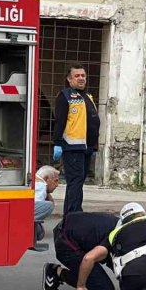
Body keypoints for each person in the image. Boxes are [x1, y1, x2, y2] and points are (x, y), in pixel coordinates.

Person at [52, 64, 100, 214]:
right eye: (77, 76)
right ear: (69, 79)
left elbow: (91, 122)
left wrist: (93, 147)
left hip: (86, 148)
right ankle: (74, 215)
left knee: (78, 184)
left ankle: (72, 215)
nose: (81, 78)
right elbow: (60, 121)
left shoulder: (88, 97)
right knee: (75, 183)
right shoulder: (65, 96)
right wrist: (58, 143)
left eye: (83, 76)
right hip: (72, 148)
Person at [42, 212, 119, 290]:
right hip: (66, 242)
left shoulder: (121, 225)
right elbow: (88, 259)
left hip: (73, 229)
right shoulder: (118, 236)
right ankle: (55, 272)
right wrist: (81, 286)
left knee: (105, 259)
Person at [34, 165, 60, 240]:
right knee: (49, 205)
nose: (57, 185)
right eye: (56, 180)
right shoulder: (41, 186)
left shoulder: (37, 182)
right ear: (46, 179)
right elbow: (36, 205)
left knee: (39, 232)